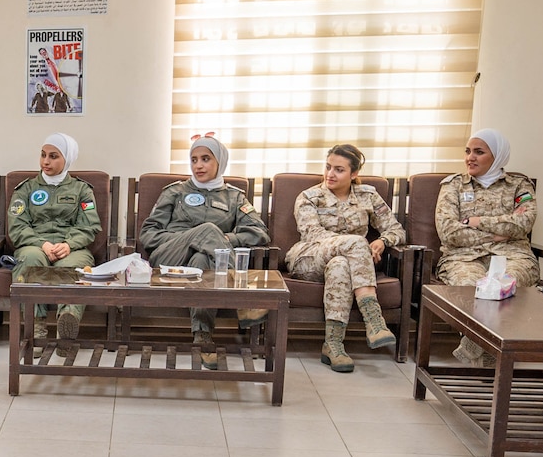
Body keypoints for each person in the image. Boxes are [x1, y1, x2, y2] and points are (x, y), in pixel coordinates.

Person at [136, 134, 269, 369]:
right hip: (168, 257)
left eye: (206, 159)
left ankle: (203, 337)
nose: (198, 165)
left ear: (220, 162)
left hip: (206, 262)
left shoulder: (234, 196)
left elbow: (259, 233)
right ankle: (240, 300)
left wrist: (227, 238)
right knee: (207, 231)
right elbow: (148, 233)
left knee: (202, 258)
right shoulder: (175, 192)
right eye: (194, 159)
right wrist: (190, 238)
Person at [285, 144, 406, 374]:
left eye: (339, 169)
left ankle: (333, 345)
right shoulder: (309, 197)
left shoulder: (368, 195)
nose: (330, 174)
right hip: (309, 257)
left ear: (354, 174)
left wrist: (382, 241)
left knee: (340, 265)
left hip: (344, 265)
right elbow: (313, 235)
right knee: (355, 244)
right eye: (328, 167)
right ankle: (374, 320)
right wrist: (356, 245)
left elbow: (397, 230)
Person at [435, 128, 539, 366]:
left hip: (513, 256)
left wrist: (478, 222)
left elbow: (523, 223)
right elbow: (449, 232)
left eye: (479, 152)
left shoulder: (519, 185)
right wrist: (498, 234)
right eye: (468, 151)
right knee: (472, 288)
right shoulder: (453, 185)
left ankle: (474, 343)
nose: (470, 157)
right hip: (463, 258)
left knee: (507, 285)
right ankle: (491, 353)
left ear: (498, 156)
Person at [8, 133, 101, 354]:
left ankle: (66, 327)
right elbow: (17, 226)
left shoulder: (82, 190)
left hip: (72, 247)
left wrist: (68, 244)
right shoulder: (26, 189)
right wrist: (42, 244)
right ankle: (36, 328)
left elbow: (89, 226)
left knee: (75, 267)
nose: (45, 161)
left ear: (67, 159)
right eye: (42, 155)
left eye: (53, 156)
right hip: (34, 245)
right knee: (29, 259)